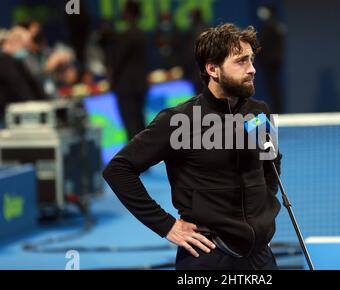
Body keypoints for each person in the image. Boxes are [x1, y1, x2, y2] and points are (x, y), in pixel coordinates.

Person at [103, 23, 282, 270]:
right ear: (212, 69)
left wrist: (261, 218)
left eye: (251, 60)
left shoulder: (259, 112)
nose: (251, 69)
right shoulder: (178, 121)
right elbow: (118, 169)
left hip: (260, 256)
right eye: (241, 61)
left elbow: (271, 164)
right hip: (208, 256)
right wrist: (166, 225)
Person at [111, 0, 148, 141]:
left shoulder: (125, 36)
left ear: (128, 13)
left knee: (131, 127)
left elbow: (117, 62)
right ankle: (145, 159)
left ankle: (136, 161)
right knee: (139, 124)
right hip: (140, 86)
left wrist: (112, 82)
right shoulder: (141, 34)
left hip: (126, 88)